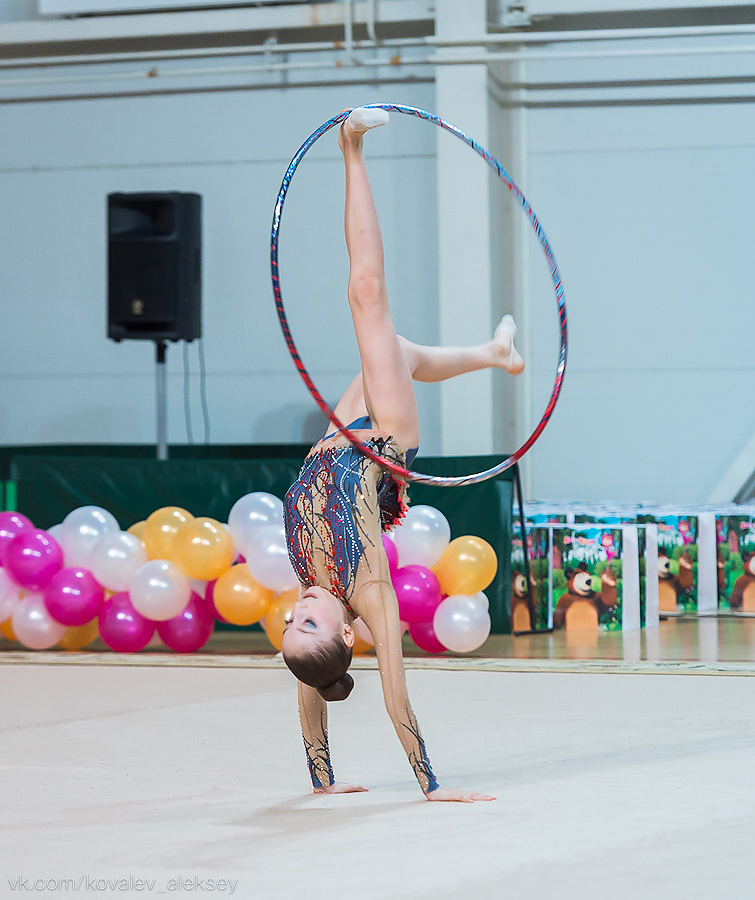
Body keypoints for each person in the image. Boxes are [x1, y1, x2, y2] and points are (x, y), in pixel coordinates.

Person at [281, 106, 523, 802]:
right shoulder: (369, 597)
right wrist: (429, 785)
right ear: (346, 637)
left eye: (289, 626)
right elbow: (393, 693)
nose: (294, 612)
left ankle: (492, 353)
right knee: (367, 299)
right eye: (307, 624)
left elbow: (309, 682)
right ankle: (350, 147)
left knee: (400, 348)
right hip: (380, 439)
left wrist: (320, 779)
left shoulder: (315, 607)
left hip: (334, 436)